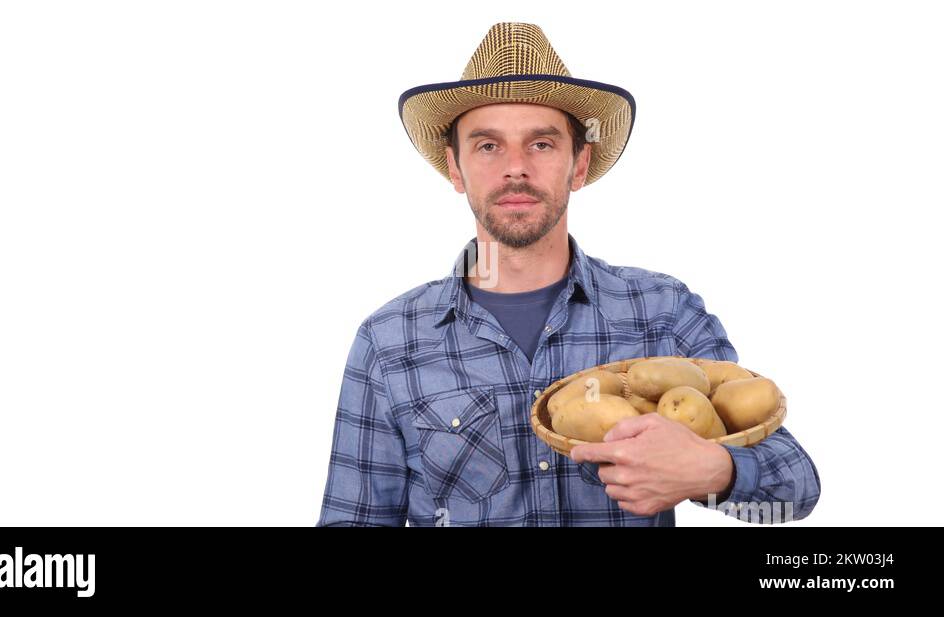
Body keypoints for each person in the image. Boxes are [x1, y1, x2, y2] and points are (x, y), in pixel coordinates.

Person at [317, 22, 820, 526]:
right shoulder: (390, 341)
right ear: (455, 168)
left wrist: (715, 472)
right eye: (488, 146)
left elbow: (795, 489)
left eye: (541, 144)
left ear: (579, 164)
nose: (516, 167)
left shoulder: (662, 312)